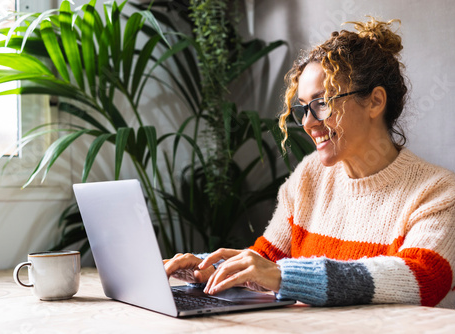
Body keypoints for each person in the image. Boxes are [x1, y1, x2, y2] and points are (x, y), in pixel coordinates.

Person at [164, 17, 455, 308]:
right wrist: (207, 268)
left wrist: (282, 276)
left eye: (323, 102)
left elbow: (421, 278)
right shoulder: (310, 175)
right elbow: (267, 261)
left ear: (376, 102)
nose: (308, 123)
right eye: (303, 108)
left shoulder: (438, 192)